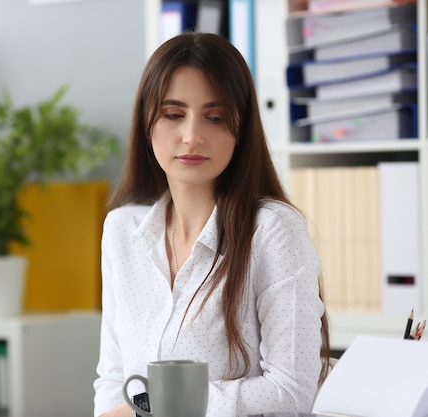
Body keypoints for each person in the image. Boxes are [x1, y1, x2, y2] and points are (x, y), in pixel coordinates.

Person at [93, 32, 330, 417]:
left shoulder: (272, 231)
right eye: (173, 114)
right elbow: (113, 378)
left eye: (214, 117)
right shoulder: (122, 230)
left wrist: (161, 406)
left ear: (240, 128)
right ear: (146, 123)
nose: (191, 136)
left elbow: (293, 391)